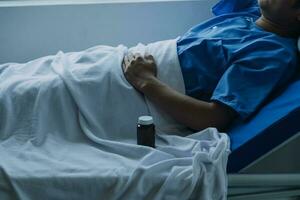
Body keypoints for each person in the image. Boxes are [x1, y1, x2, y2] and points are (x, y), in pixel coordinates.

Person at [122, 0, 300, 132]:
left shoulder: (270, 54)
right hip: (136, 61)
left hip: (142, 87)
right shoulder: (253, 13)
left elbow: (212, 118)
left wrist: (146, 81)